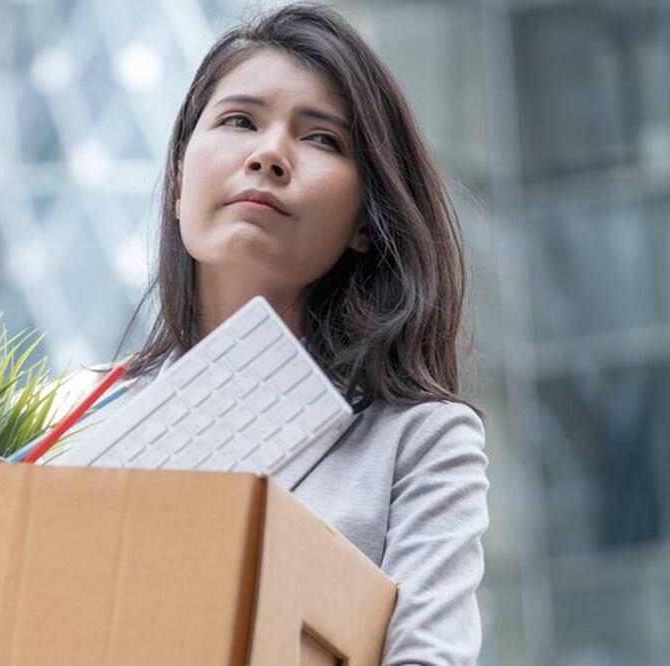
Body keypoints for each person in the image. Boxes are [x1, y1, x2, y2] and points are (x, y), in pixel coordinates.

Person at [45, 3, 490, 664]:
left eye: (322, 139)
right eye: (239, 121)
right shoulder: (75, 412)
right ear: (177, 181)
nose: (269, 154)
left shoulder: (418, 440)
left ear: (367, 221)